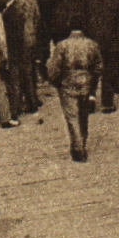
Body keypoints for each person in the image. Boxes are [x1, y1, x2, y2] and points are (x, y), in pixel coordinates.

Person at [46, 24, 103, 162]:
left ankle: (78, 148)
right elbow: (99, 66)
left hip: (67, 83)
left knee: (72, 116)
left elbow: (55, 68)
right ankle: (82, 140)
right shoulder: (91, 44)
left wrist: (55, 81)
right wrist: (93, 83)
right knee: (83, 115)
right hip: (86, 81)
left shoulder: (62, 45)